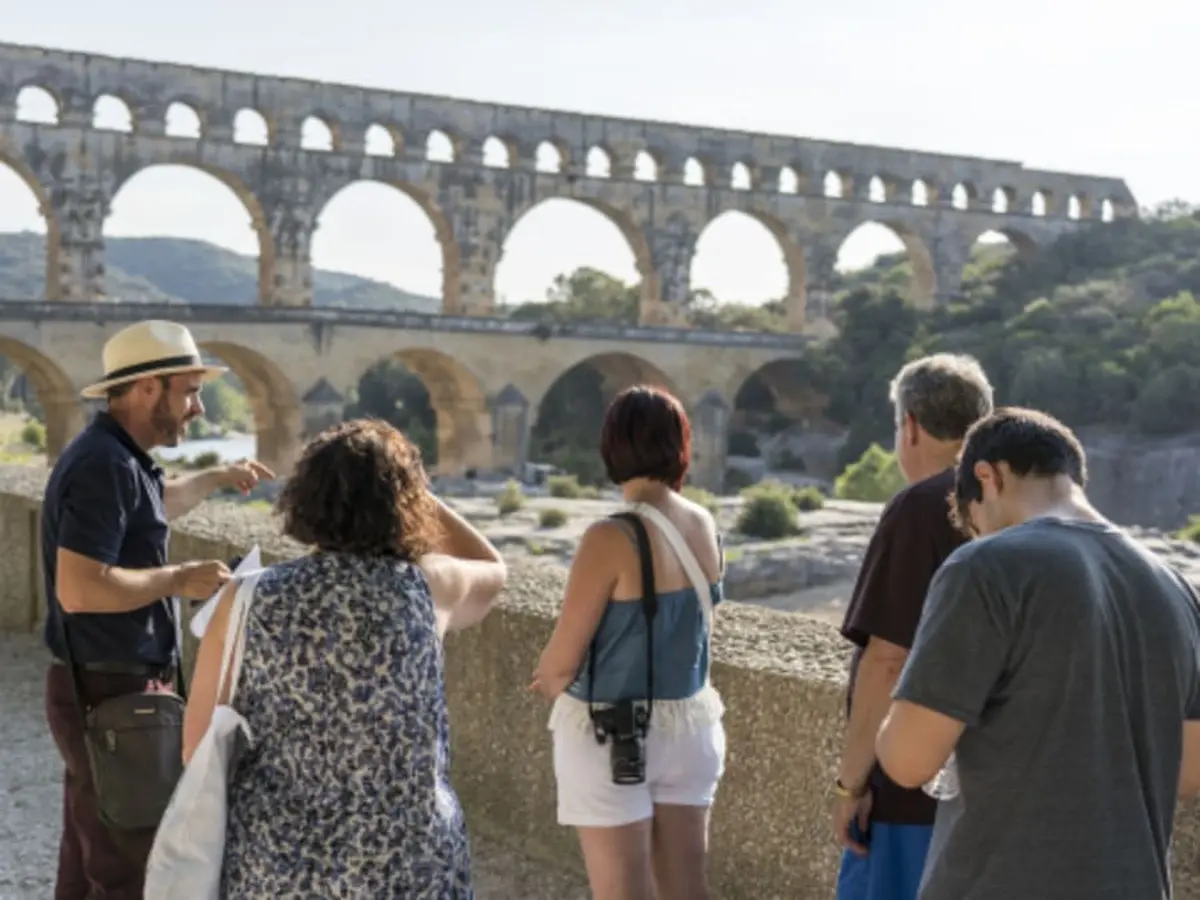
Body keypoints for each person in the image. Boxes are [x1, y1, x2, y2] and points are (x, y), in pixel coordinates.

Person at [876, 408, 1200, 900]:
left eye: (975, 522)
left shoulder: (985, 567)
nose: (981, 535)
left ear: (987, 477)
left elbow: (908, 760)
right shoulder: (1178, 588)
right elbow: (1186, 772)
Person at [182, 418, 508, 898]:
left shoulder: (245, 598)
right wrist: (414, 492)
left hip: (278, 862)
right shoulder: (429, 586)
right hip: (410, 862)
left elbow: (196, 748)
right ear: (405, 503)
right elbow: (494, 570)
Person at [43, 319, 274, 900]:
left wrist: (217, 477)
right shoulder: (106, 466)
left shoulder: (119, 457)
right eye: (190, 390)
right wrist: (179, 579)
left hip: (102, 682)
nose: (197, 407)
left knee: (89, 848)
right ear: (148, 388)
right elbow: (80, 588)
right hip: (110, 686)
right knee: (130, 863)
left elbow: (153, 505)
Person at [531, 385, 726, 900]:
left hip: (612, 731)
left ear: (612, 447)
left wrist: (549, 681)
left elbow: (562, 659)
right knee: (687, 888)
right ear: (681, 445)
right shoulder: (703, 523)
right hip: (691, 726)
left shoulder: (609, 537)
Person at [833, 353, 993, 900]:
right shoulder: (1009, 505)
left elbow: (887, 658)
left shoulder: (920, 508)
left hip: (911, 794)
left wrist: (851, 782)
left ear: (910, 426)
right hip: (991, 784)